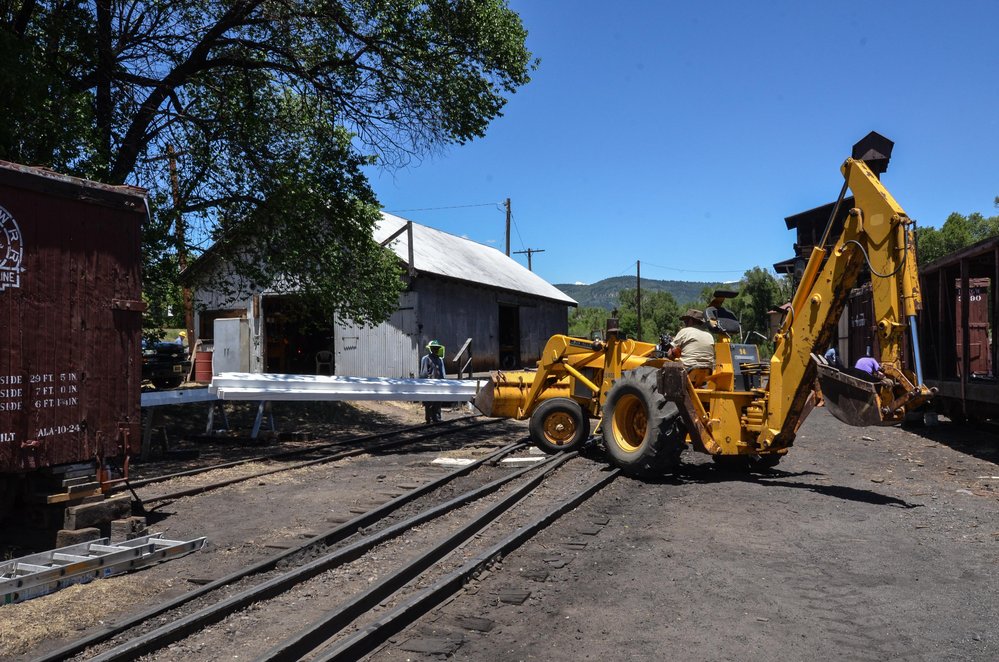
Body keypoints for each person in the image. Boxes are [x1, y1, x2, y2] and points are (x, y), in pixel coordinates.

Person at [420, 339, 446, 423]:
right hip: (429, 384)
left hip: (439, 384)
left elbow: (442, 372)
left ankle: (436, 417)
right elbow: (424, 373)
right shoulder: (426, 359)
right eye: (434, 348)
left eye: (437, 348)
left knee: (438, 401)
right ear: (431, 349)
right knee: (429, 402)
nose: (436, 350)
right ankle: (428, 418)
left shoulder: (440, 360)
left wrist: (443, 382)